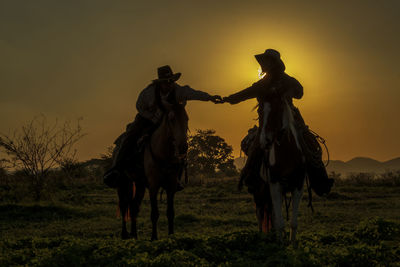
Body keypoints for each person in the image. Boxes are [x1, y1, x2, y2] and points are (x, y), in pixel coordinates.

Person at [223, 49, 331, 195]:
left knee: (309, 143)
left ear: (273, 63)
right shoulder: (261, 84)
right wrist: (229, 99)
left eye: (267, 61)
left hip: (290, 119)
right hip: (267, 121)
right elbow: (246, 93)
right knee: (256, 146)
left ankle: (320, 182)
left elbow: (300, 91)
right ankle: (250, 177)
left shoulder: (288, 80)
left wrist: (288, 93)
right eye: (264, 61)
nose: (265, 63)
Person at [104, 65, 223, 188]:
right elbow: (139, 106)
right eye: (166, 82)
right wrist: (154, 118)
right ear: (160, 83)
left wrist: (210, 97)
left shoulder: (178, 90)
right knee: (131, 135)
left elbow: (194, 94)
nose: (169, 84)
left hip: (168, 120)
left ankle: (176, 176)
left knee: (180, 138)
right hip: (147, 117)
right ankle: (116, 168)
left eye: (171, 81)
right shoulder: (148, 93)